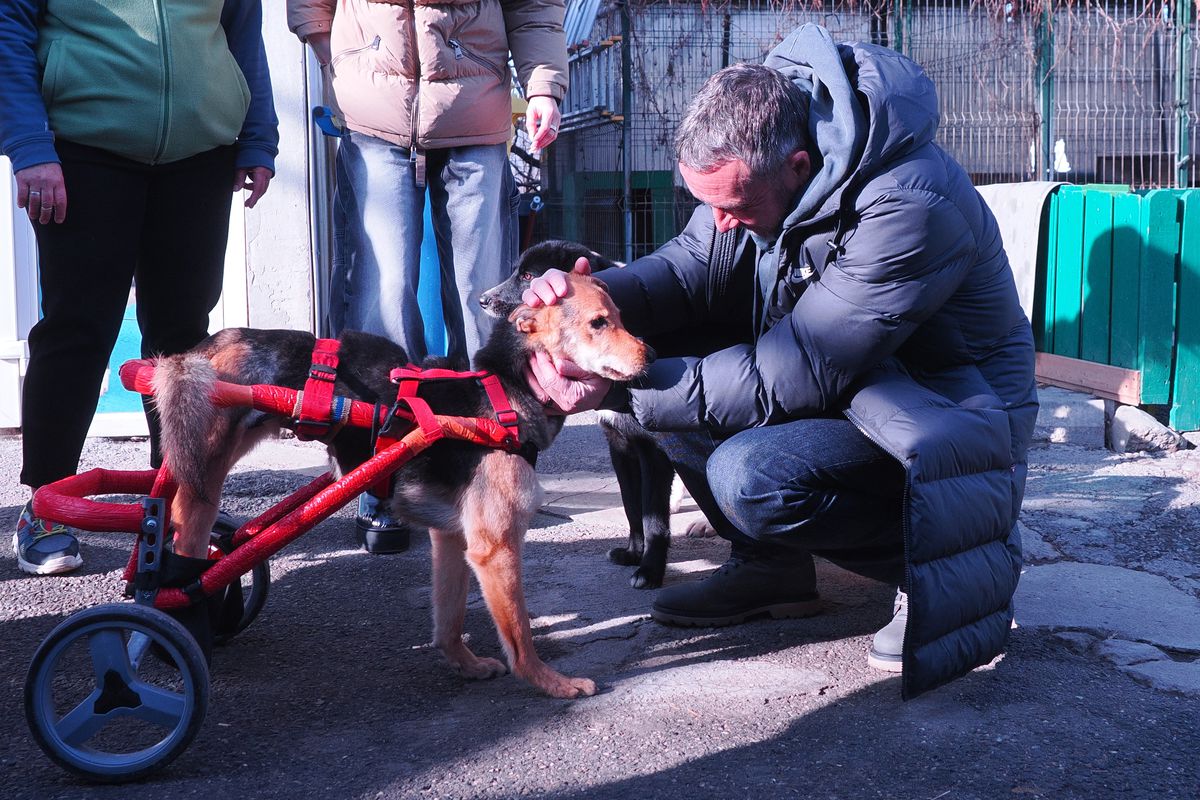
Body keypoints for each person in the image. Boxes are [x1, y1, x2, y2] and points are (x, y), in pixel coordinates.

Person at [522, 24, 1038, 698]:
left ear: (798, 165)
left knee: (749, 474)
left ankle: (948, 557)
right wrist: (587, 304)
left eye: (732, 207)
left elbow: (797, 369)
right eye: (709, 205)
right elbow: (687, 273)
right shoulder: (758, 163)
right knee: (665, 371)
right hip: (860, 390)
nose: (722, 222)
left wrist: (620, 389)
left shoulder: (909, 202)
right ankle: (773, 569)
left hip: (945, 418)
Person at [1, 0, 279, 576]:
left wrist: (256, 136)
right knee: (77, 329)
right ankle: (48, 505)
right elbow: (10, 27)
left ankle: (175, 509)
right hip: (82, 150)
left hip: (200, 154)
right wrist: (28, 145)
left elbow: (242, 31)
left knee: (183, 341)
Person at [286, 0, 567, 551]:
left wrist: (541, 88)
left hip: (476, 116)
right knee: (382, 301)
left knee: (483, 304)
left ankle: (492, 471)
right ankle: (383, 479)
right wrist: (336, 56)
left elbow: (534, 7)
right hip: (374, 120)